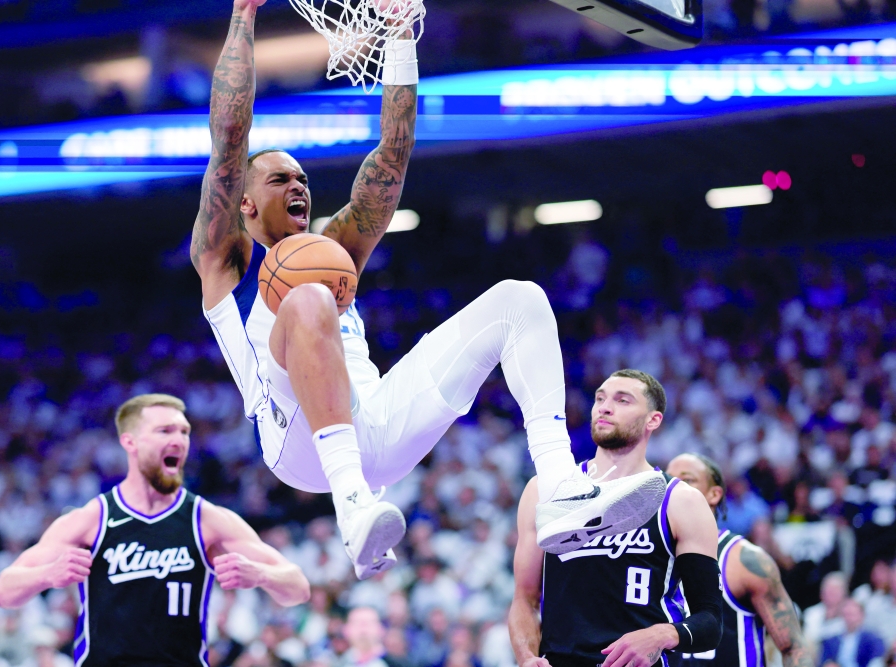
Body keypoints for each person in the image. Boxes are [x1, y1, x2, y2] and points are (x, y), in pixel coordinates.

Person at [191, 0, 667, 580]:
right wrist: (243, 14)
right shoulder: (226, 258)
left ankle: (561, 485)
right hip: (297, 444)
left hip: (379, 430)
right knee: (309, 299)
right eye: (280, 179)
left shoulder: (334, 249)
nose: (299, 186)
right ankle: (351, 507)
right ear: (244, 202)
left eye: (303, 178)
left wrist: (399, 36)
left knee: (519, 300)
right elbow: (228, 139)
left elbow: (392, 157)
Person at [0, 394, 310, 667]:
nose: (179, 440)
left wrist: (260, 575)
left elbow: (298, 587)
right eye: (165, 431)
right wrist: (48, 575)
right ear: (130, 442)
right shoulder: (92, 519)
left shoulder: (206, 519)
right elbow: (3, 592)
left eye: (184, 432)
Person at [509, 369, 723, 667]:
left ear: (653, 420)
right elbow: (525, 599)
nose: (605, 407)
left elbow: (710, 620)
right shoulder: (545, 490)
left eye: (623, 400)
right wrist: (527, 658)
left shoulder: (680, 500)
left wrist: (662, 634)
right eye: (600, 399)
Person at [667, 453, 814, 667]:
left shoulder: (744, 560)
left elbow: (793, 648)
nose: (675, 488)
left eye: (687, 480)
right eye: (669, 481)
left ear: (714, 494)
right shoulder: (647, 558)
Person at [819, 600, 885, 667]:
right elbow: (824, 661)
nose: (849, 618)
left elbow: (876, 661)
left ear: (862, 615)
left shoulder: (873, 639)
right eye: (846, 614)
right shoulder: (832, 640)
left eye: (852, 614)